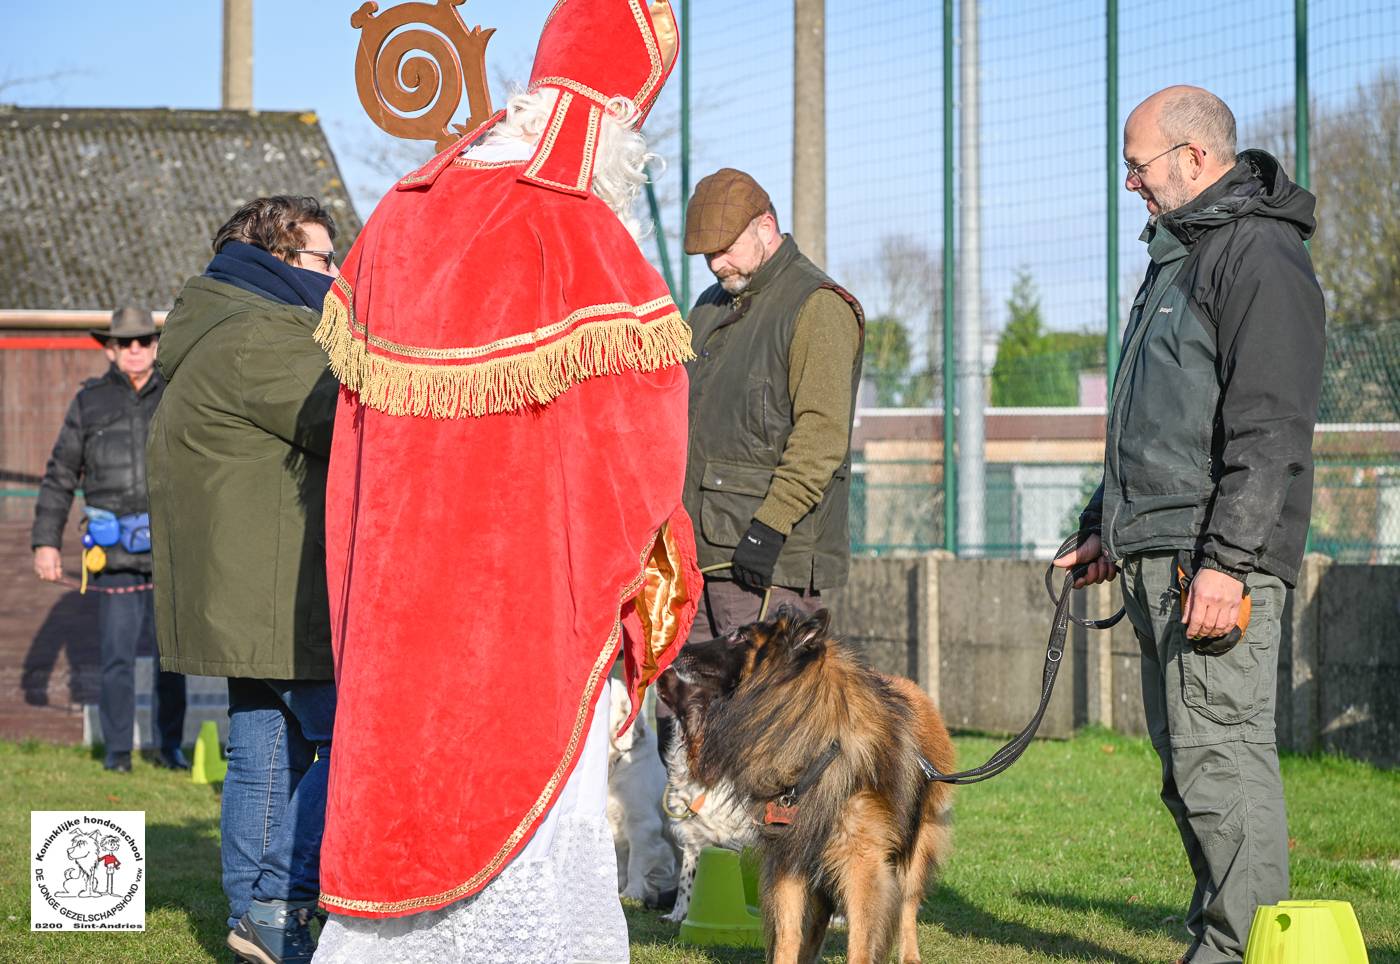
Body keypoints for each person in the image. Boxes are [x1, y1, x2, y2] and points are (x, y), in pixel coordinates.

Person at [307, 2, 698, 960]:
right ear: (618, 115)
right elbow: (636, 466)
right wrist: (651, 609)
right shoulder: (584, 235)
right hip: (528, 622)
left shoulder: (398, 215)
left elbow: (352, 457)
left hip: (397, 621)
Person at [1055, 86, 1326, 964]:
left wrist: (1228, 562)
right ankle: (1226, 939)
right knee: (1190, 771)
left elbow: (1269, 426)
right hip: (1159, 552)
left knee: (1222, 764)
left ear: (1195, 160)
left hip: (1212, 565)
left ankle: (1242, 950)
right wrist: (1108, 522)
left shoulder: (1259, 256)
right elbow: (1152, 415)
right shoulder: (1178, 256)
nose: (1130, 182)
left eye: (1138, 165)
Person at [147, 196, 341, 964]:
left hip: (244, 591)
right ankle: (285, 900)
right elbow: (347, 415)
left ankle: (257, 917)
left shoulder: (218, 320)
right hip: (281, 586)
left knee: (265, 752)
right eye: (328, 259)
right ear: (285, 258)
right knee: (349, 744)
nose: (338, 275)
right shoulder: (265, 328)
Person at [31, 306, 188, 773]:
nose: (135, 349)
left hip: (170, 548)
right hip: (113, 548)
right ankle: (118, 752)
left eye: (143, 340)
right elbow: (60, 475)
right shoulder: (89, 402)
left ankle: (169, 747)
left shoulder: (179, 395)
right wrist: (46, 542)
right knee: (116, 657)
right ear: (111, 349)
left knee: (173, 659)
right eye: (125, 342)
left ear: (155, 345)